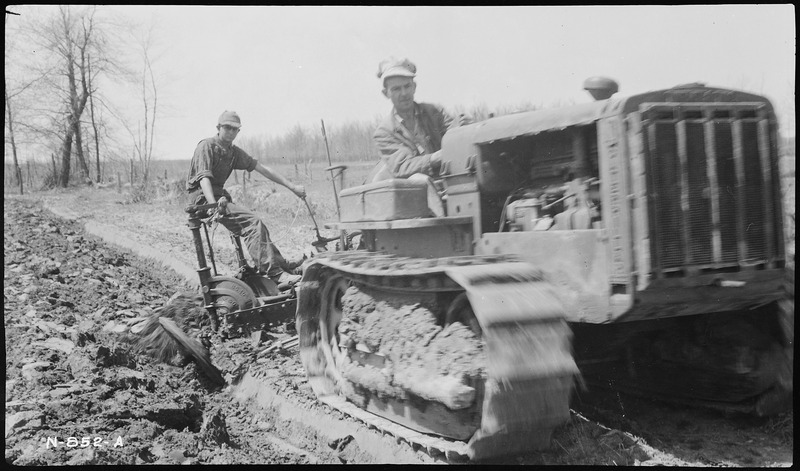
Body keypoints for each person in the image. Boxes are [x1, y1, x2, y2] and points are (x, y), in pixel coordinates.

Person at [186, 111, 306, 285]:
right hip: (202, 200)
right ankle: (275, 274)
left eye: (235, 129)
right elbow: (204, 179)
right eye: (227, 128)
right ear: (218, 128)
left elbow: (262, 169)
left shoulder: (233, 152)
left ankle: (282, 265)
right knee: (252, 223)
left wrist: (292, 187)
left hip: (218, 198)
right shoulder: (206, 146)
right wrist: (213, 205)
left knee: (257, 224)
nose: (231, 132)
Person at [371, 57, 470, 216]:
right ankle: (443, 229)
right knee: (419, 180)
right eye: (396, 89)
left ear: (414, 87)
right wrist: (436, 158)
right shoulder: (384, 132)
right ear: (386, 93)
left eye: (407, 86)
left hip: (449, 180)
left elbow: (452, 132)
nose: (404, 93)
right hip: (415, 198)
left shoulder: (433, 112)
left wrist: (463, 129)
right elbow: (403, 167)